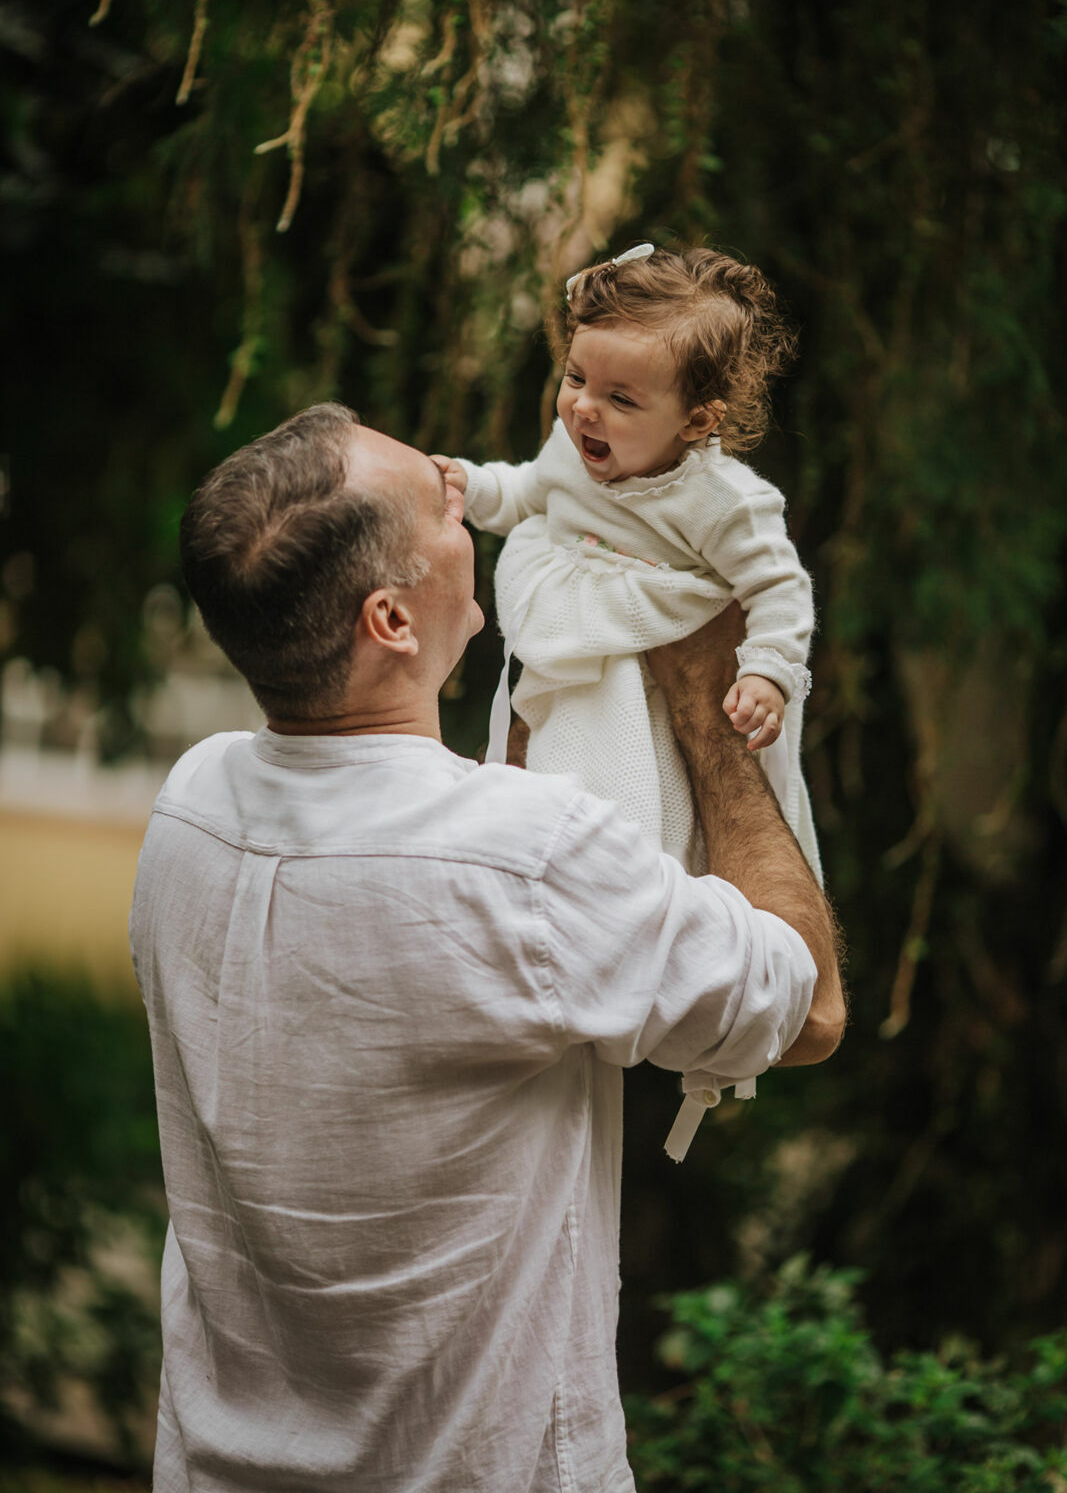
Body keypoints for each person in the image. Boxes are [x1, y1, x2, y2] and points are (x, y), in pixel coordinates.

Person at [131, 400, 844, 1493]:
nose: (470, 501)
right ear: (392, 621)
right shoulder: (525, 861)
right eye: (440, 506)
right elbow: (805, 1005)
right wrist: (702, 694)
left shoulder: (188, 809)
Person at [436, 243, 819, 886]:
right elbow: (528, 493)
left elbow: (779, 587)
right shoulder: (572, 448)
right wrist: (468, 486)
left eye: (622, 399)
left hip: (660, 697)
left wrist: (768, 674)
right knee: (562, 790)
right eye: (577, 378)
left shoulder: (724, 501)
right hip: (581, 670)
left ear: (696, 421)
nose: (585, 408)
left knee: (660, 824)